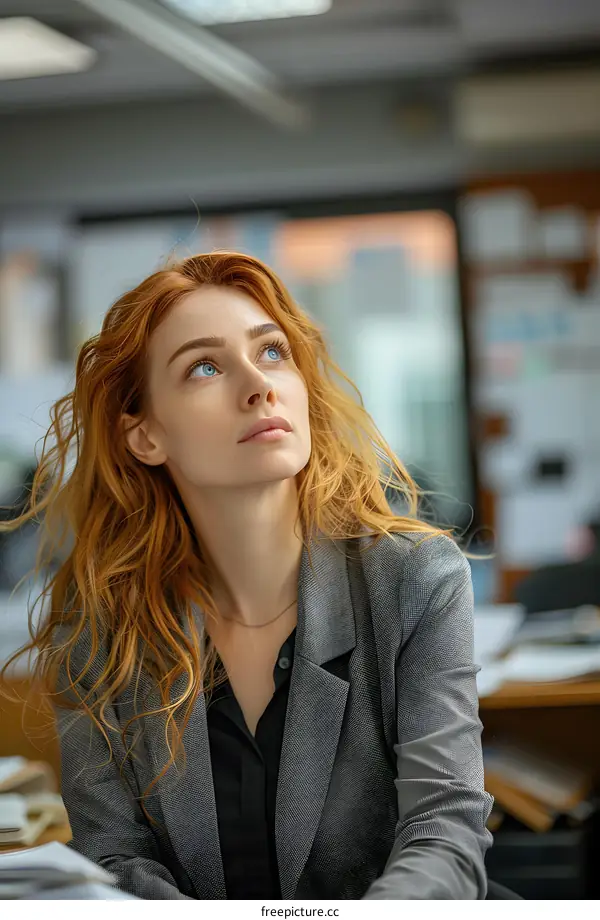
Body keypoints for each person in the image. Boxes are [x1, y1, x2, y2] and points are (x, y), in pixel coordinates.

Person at [1, 252, 493, 900]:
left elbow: (444, 831)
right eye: (205, 366)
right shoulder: (96, 626)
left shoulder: (415, 580)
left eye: (271, 352)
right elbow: (114, 859)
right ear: (145, 435)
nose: (258, 385)